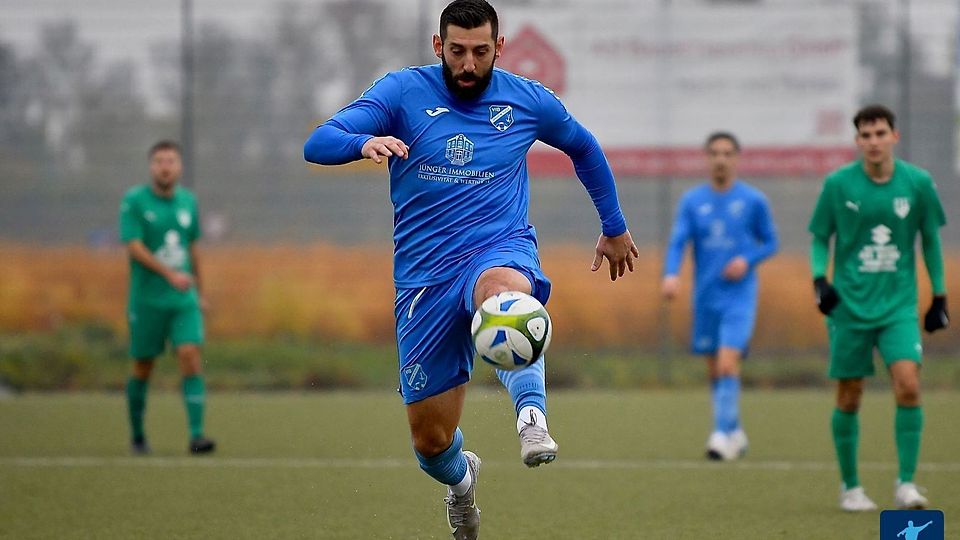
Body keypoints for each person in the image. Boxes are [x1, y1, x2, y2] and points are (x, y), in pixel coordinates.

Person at [303, 1, 638, 537]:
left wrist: (614, 225)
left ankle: (531, 417)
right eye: (456, 51)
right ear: (439, 47)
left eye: (480, 52)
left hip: (497, 248)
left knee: (503, 296)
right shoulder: (401, 93)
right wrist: (361, 142)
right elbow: (316, 143)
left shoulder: (526, 100)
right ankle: (463, 481)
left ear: (498, 48)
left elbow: (583, 146)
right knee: (430, 442)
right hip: (424, 279)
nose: (467, 64)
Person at [808, 104, 948, 512]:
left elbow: (931, 241)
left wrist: (939, 296)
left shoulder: (918, 183)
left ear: (894, 137)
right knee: (850, 395)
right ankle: (850, 488)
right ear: (857, 141)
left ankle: (906, 484)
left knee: (908, 383)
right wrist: (820, 280)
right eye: (865, 135)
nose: (873, 141)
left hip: (898, 307)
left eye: (880, 133)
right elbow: (820, 237)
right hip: (849, 307)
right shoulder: (838, 185)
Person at [661, 132, 778, 461]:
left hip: (739, 297)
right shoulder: (692, 201)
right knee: (715, 368)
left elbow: (771, 242)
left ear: (737, 158)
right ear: (707, 158)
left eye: (727, 153)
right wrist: (671, 275)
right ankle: (735, 429)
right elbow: (678, 242)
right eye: (714, 153)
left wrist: (747, 260)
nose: (721, 159)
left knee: (728, 364)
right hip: (706, 296)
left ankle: (722, 434)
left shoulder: (753, 201)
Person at [119, 140, 215, 455]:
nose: (165, 166)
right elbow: (133, 246)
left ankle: (197, 436)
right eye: (159, 161)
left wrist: (200, 293)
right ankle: (137, 436)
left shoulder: (188, 202)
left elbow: (193, 250)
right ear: (151, 166)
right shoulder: (135, 201)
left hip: (183, 300)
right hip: (147, 300)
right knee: (143, 366)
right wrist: (168, 274)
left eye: (171, 161)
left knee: (190, 356)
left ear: (179, 166)